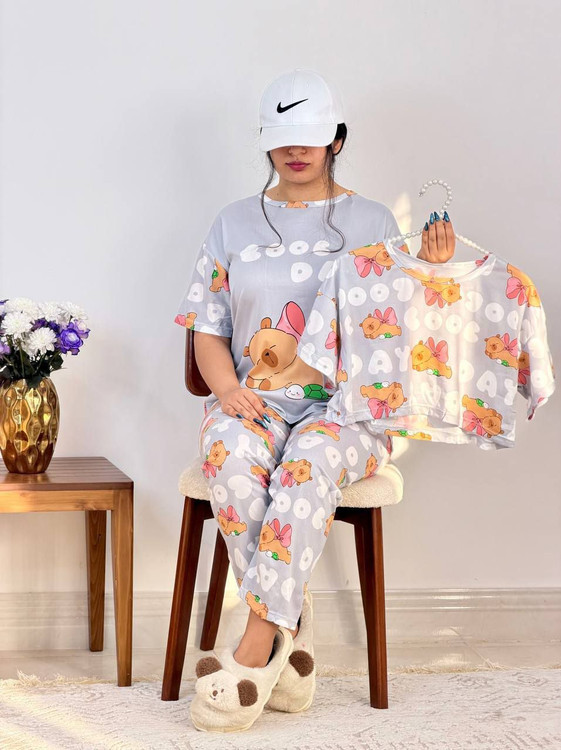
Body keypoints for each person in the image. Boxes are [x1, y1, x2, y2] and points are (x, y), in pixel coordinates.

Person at [174, 68, 455, 728]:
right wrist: (227, 390)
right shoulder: (233, 223)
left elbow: (404, 331)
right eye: (282, 138)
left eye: (310, 136)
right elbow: (207, 326)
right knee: (231, 458)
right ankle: (291, 631)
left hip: (349, 410)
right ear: (265, 142)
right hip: (254, 401)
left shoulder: (373, 220)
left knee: (307, 463)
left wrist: (432, 271)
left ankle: (255, 643)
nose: (295, 150)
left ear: (336, 140)